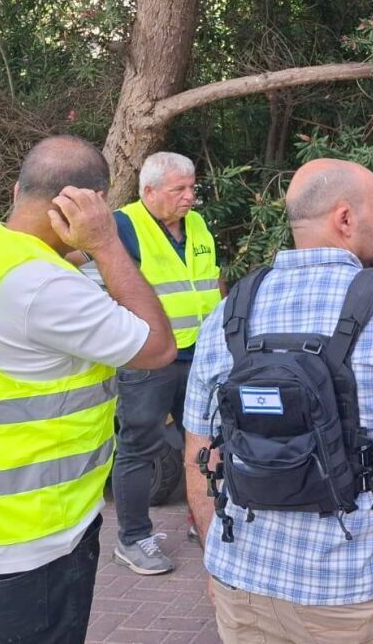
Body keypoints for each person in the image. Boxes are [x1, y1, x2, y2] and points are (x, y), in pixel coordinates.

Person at [0, 136, 176, 644]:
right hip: (26, 537)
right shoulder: (43, 286)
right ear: (87, 206)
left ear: (16, 190)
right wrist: (106, 244)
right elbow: (157, 347)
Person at [183, 159, 373, 644]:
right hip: (362, 587)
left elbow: (198, 454)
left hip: (246, 586)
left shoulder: (228, 315)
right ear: (345, 219)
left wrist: (217, 559)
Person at [108, 151, 222, 575]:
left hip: (200, 354)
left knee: (206, 443)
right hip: (148, 357)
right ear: (149, 190)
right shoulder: (123, 225)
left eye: (192, 187)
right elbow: (76, 263)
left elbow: (211, 279)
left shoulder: (197, 224)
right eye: (179, 189)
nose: (189, 196)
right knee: (139, 447)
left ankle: (203, 519)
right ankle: (133, 539)